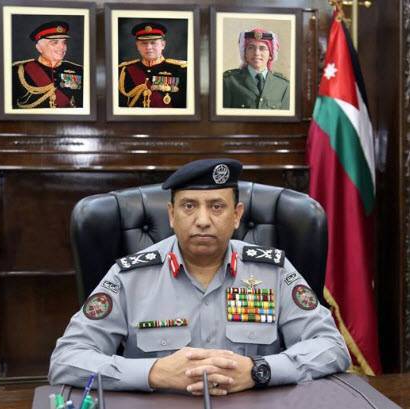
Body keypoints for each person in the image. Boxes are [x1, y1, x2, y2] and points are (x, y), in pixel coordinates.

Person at [49, 158, 351, 394]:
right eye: (189, 206)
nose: (203, 220)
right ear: (171, 215)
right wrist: (154, 373)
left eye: (217, 207)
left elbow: (331, 346)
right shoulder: (130, 276)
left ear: (237, 215)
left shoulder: (273, 271)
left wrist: (259, 371)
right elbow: (67, 359)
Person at [12, 21, 83, 109]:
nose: (62, 47)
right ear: (39, 48)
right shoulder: (18, 71)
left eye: (64, 42)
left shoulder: (79, 70)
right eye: (54, 43)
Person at [118, 22, 187, 108]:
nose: (148, 47)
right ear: (137, 46)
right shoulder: (124, 71)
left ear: (163, 45)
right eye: (144, 43)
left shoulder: (181, 70)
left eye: (153, 43)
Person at [223, 29, 289, 109]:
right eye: (251, 48)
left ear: (271, 54)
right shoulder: (229, 81)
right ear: (245, 53)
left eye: (262, 48)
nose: (256, 53)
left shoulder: (283, 85)